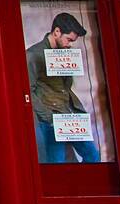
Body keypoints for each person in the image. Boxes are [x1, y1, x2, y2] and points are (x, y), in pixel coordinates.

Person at [26, 12, 100, 164]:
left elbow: (65, 86)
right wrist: (48, 117)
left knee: (92, 156)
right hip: (51, 118)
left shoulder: (62, 53)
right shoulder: (34, 54)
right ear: (57, 32)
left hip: (69, 114)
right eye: (68, 39)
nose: (69, 44)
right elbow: (28, 90)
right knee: (56, 163)